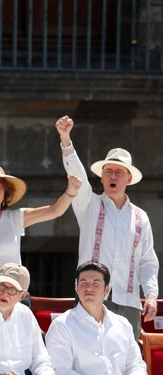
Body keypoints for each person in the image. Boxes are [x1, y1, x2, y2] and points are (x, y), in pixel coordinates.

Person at [55, 116, 158, 340]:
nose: (113, 176)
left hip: (129, 302)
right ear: (101, 177)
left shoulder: (141, 217)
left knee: (126, 360)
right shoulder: (89, 204)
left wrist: (150, 295)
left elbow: (147, 262)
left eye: (119, 172)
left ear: (128, 179)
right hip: (92, 296)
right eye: (108, 171)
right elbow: (77, 176)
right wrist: (66, 140)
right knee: (88, 356)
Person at [0, 165, 82, 299]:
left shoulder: (16, 218)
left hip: (15, 289)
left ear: (5, 193)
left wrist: (70, 192)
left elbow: (54, 211)